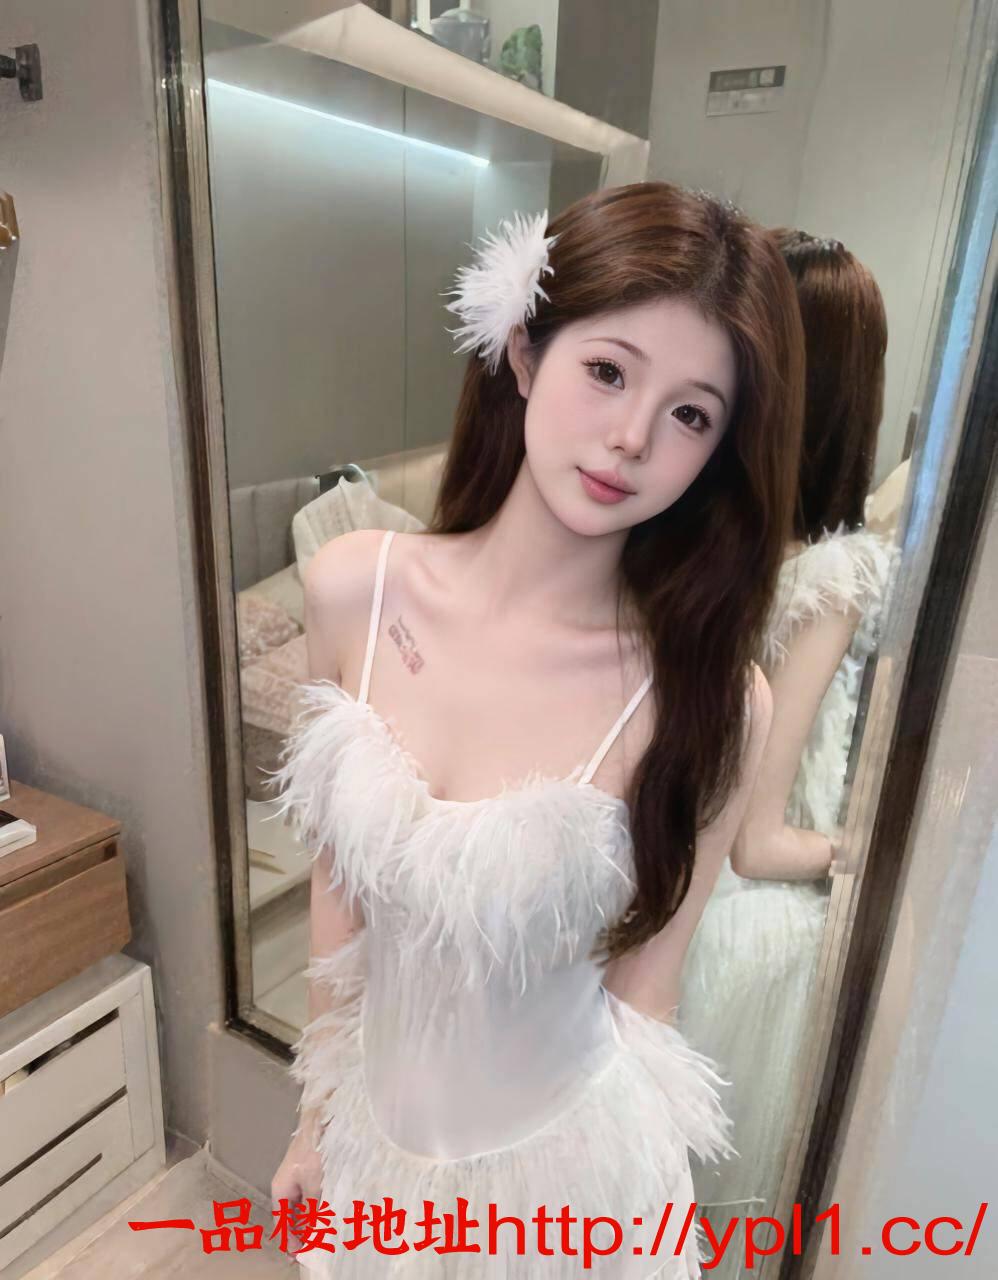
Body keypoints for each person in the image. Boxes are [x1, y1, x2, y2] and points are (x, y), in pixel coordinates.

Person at [268, 181, 805, 1278]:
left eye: (690, 414)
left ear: (719, 450)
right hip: (373, 1154)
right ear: (523, 351)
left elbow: (646, 989)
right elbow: (339, 882)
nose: (630, 437)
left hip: (570, 1191)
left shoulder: (710, 700)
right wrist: (314, 1119)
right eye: (608, 370)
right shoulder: (353, 590)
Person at [679, 230, 894, 1268]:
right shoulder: (833, 574)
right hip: (744, 933)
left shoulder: (693, 534)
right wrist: (868, 850)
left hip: (662, 891)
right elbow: (760, 842)